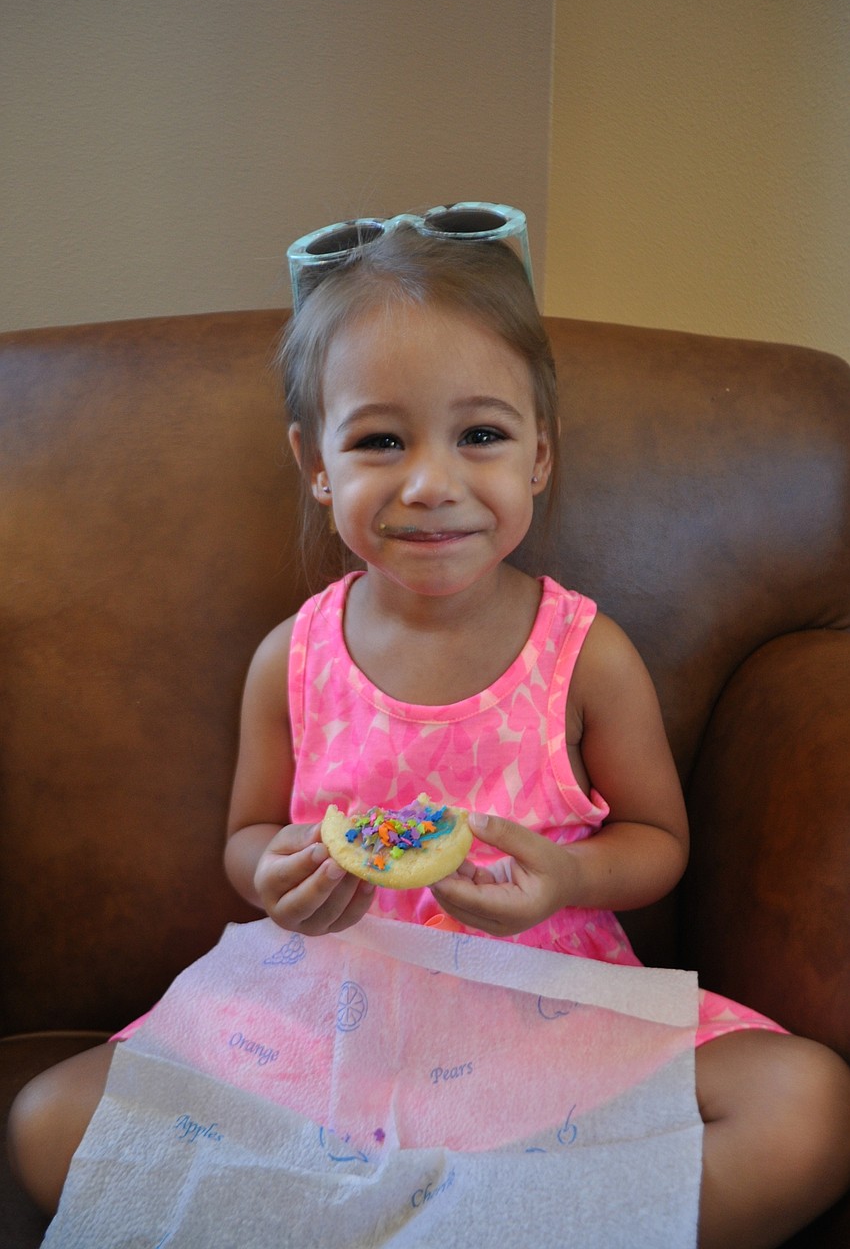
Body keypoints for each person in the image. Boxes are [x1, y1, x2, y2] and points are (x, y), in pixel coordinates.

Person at [9, 226, 850, 1247]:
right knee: (49, 1120)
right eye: (377, 441)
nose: (429, 482)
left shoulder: (585, 653)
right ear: (313, 463)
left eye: (480, 436)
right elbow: (248, 832)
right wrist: (275, 873)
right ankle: (456, 1216)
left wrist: (565, 878)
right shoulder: (295, 656)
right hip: (330, 1009)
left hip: (544, 1001)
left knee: (807, 1104)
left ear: (539, 452)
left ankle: (402, 1216)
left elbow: (656, 843)